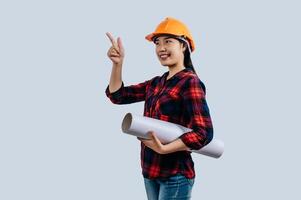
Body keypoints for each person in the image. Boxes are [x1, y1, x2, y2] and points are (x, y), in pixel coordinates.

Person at [105, 17, 214, 200]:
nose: (161, 48)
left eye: (168, 41)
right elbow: (118, 96)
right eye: (157, 43)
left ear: (184, 46)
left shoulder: (190, 82)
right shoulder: (156, 83)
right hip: (150, 172)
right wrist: (118, 64)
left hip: (175, 176)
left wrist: (165, 149)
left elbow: (204, 133)